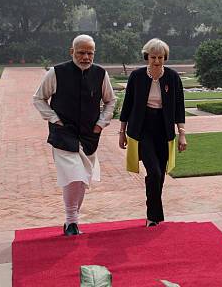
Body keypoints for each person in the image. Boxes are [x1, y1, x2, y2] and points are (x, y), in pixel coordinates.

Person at [33, 34, 116, 236]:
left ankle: (72, 218)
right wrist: (55, 119)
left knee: (82, 179)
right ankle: (72, 221)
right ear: (72, 52)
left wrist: (100, 124)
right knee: (73, 176)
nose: (86, 57)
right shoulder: (56, 73)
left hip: (89, 136)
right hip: (63, 134)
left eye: (90, 53)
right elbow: (39, 99)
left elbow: (110, 101)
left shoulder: (100, 74)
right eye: (81, 52)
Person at [119, 38, 186, 227]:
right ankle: (153, 215)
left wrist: (182, 133)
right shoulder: (137, 76)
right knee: (154, 173)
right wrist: (122, 131)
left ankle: (153, 216)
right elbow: (128, 105)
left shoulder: (172, 77)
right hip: (142, 128)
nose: (157, 61)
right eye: (153, 57)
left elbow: (179, 106)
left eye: (160, 57)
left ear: (165, 58)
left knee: (160, 175)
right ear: (146, 57)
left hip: (163, 129)